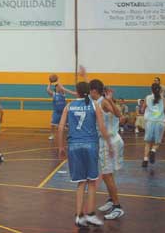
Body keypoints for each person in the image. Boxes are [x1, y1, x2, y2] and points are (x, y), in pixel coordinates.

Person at [57, 81, 113, 227]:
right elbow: (101, 127)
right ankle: (90, 214)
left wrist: (61, 147)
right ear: (89, 91)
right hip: (90, 145)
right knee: (92, 182)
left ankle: (79, 216)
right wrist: (110, 144)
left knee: (81, 183)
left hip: (73, 146)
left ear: (77, 91)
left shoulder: (69, 106)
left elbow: (61, 128)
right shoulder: (94, 105)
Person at [89, 79, 125, 220]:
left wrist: (110, 101)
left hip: (109, 141)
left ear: (94, 91)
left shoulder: (103, 101)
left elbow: (118, 115)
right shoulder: (99, 100)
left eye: (90, 91)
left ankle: (117, 207)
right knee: (107, 174)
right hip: (107, 140)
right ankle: (111, 200)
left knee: (106, 174)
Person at [142, 83, 165, 167]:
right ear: (160, 89)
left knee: (147, 142)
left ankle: (145, 160)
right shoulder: (163, 98)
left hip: (150, 122)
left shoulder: (147, 97)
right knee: (157, 142)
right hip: (160, 122)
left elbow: (142, 109)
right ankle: (153, 150)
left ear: (151, 89)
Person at [46, 76, 76, 141]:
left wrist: (58, 80)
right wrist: (50, 83)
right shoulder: (54, 94)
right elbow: (48, 90)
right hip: (56, 112)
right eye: (57, 87)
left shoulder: (63, 93)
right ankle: (52, 135)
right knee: (52, 125)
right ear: (56, 88)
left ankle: (69, 135)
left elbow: (61, 86)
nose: (59, 87)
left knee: (68, 125)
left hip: (64, 112)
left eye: (59, 87)